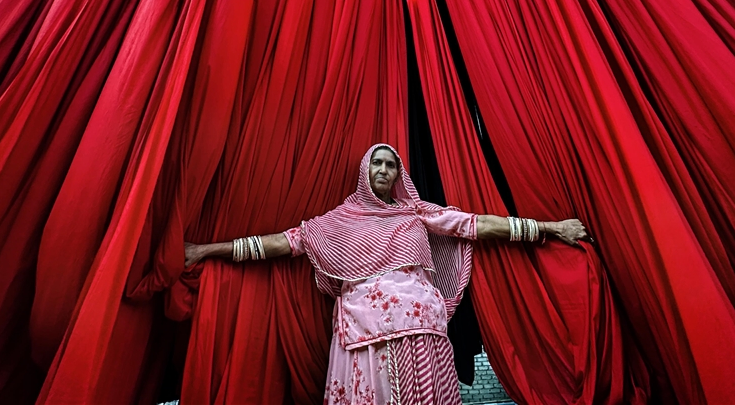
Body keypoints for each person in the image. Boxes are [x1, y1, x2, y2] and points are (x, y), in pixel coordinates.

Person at [184, 144, 588, 404]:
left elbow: (477, 225)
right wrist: (204, 250)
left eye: (390, 164)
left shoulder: (416, 213)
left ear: (398, 174)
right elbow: (276, 244)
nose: (382, 169)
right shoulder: (336, 222)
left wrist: (552, 229)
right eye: (376, 163)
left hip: (424, 331)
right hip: (365, 334)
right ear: (365, 171)